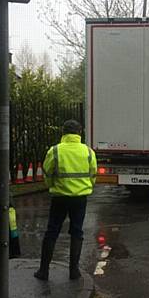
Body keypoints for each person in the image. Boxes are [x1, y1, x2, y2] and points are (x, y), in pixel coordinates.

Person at [34, 119, 97, 281]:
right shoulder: (88, 151)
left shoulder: (55, 151)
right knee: (77, 232)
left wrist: (52, 186)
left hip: (60, 197)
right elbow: (93, 174)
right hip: (80, 198)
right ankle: (74, 271)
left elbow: (47, 173)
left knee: (52, 231)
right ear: (79, 133)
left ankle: (44, 271)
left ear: (63, 133)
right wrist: (86, 187)